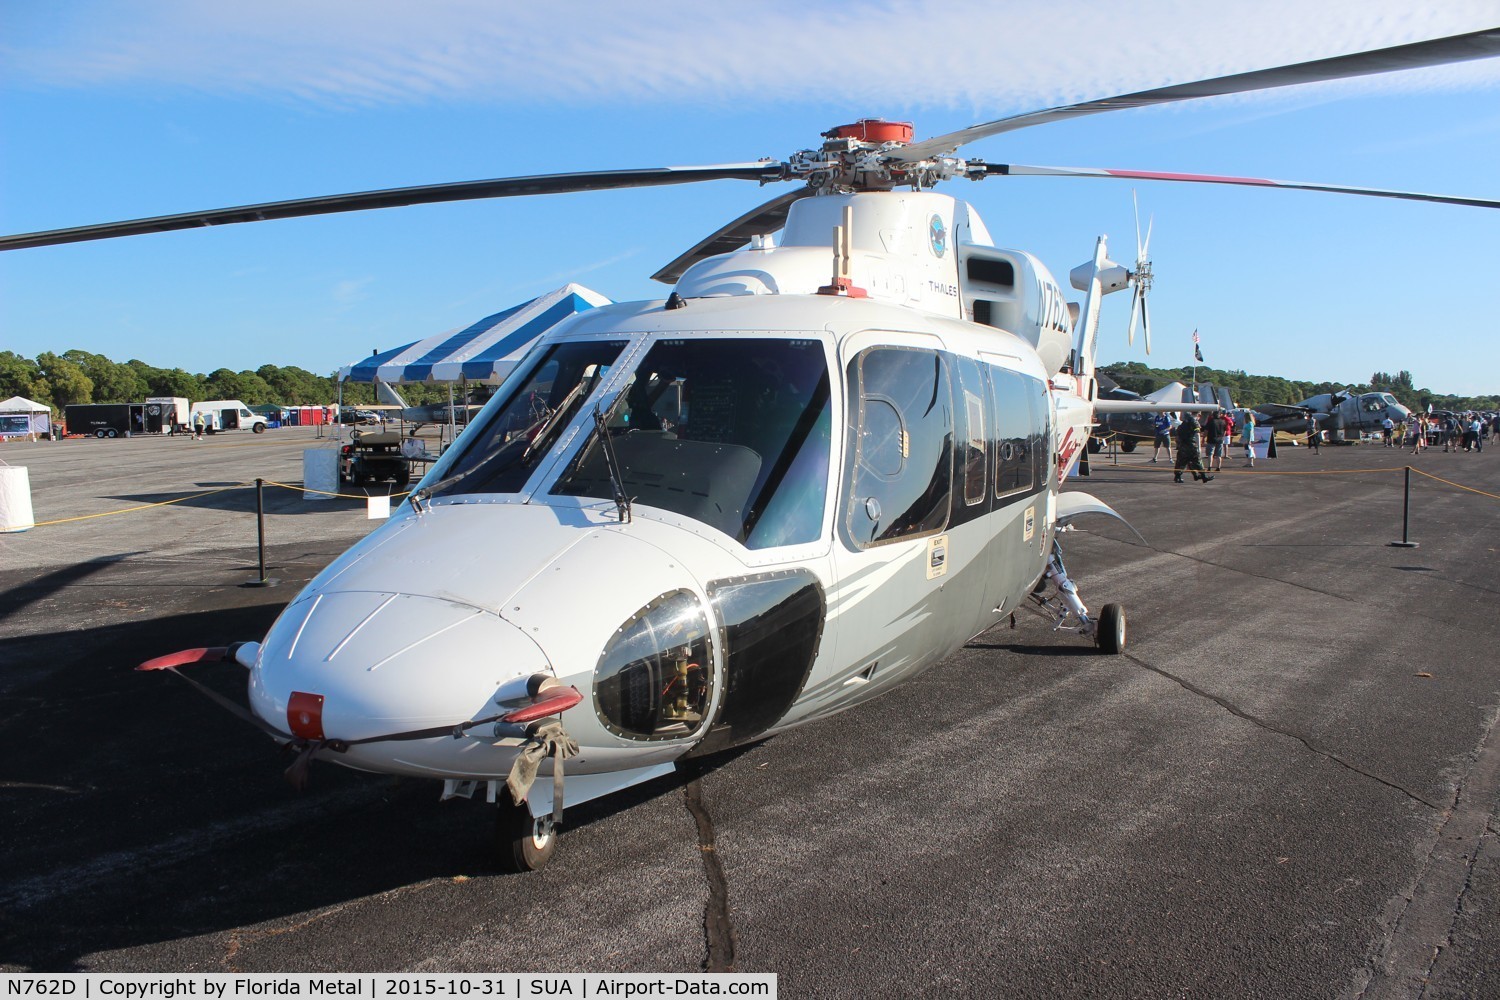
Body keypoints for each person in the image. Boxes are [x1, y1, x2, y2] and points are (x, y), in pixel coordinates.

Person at [1173, 413, 1213, 483]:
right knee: (1197, 461)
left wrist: (1179, 444)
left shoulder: (1183, 424)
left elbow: (1177, 436)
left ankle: (1177, 477)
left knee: (1181, 462)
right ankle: (1204, 476)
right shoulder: (1194, 422)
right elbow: (1197, 434)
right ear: (1198, 415)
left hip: (1183, 445)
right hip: (1191, 445)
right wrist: (1199, 447)